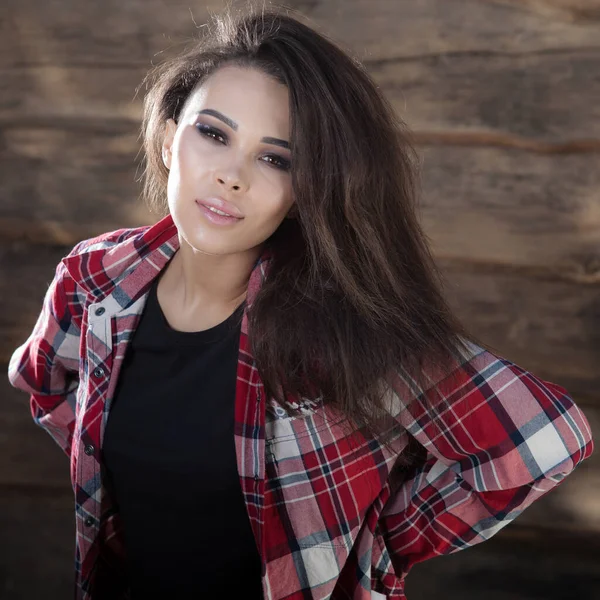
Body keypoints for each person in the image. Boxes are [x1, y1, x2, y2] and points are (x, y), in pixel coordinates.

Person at [7, 4, 594, 600]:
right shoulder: (94, 276)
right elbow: (45, 383)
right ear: (166, 140)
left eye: (274, 158)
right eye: (213, 133)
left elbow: (543, 445)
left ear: (308, 188)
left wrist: (372, 544)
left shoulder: (342, 327)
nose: (231, 176)